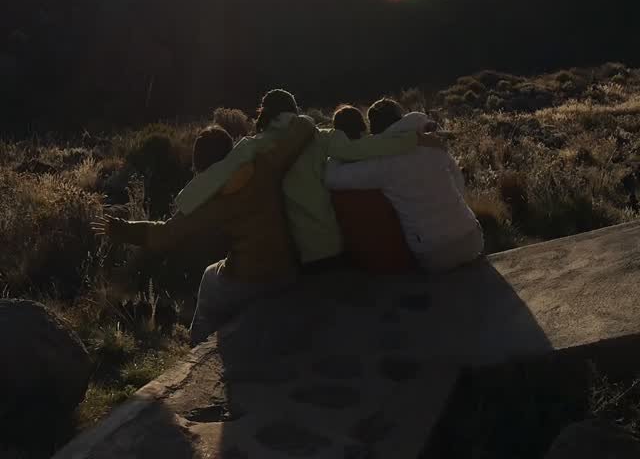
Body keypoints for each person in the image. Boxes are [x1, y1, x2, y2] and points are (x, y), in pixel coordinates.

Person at [95, 115, 315, 344]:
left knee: (210, 279)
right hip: (288, 270)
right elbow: (306, 126)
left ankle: (199, 348)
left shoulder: (212, 197)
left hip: (251, 279)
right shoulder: (263, 162)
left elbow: (165, 235)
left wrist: (120, 229)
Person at [173, 89, 441, 271]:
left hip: (298, 257)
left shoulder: (253, 145)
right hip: (335, 246)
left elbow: (216, 175)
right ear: (294, 111)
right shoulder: (321, 136)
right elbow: (366, 148)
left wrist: (183, 204)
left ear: (265, 114)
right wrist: (416, 139)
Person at [326, 99, 483, 272]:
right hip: (471, 239)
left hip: (434, 252)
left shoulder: (381, 163)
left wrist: (341, 148)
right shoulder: (431, 143)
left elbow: (332, 177)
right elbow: (458, 183)